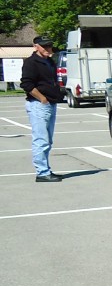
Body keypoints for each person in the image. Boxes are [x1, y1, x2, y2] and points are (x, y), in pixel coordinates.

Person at [20, 35, 65, 182]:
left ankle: (46, 170)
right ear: (36, 47)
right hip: (39, 105)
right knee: (41, 139)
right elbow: (26, 84)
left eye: (49, 46)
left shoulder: (49, 61)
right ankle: (42, 172)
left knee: (48, 140)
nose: (48, 49)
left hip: (51, 104)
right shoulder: (31, 63)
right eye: (44, 46)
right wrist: (42, 98)